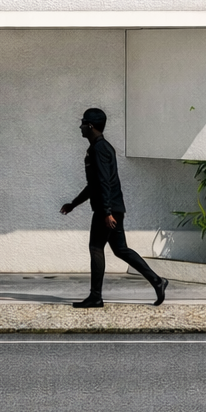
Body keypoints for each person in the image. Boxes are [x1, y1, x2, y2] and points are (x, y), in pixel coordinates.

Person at [59, 107, 169, 308]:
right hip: (112, 206)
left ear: (90, 126)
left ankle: (95, 296)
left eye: (83, 123)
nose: (80, 126)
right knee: (120, 249)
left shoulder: (99, 149)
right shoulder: (102, 147)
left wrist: (107, 212)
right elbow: (95, 185)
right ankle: (157, 281)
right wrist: (73, 204)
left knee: (96, 247)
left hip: (106, 209)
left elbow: (103, 183)